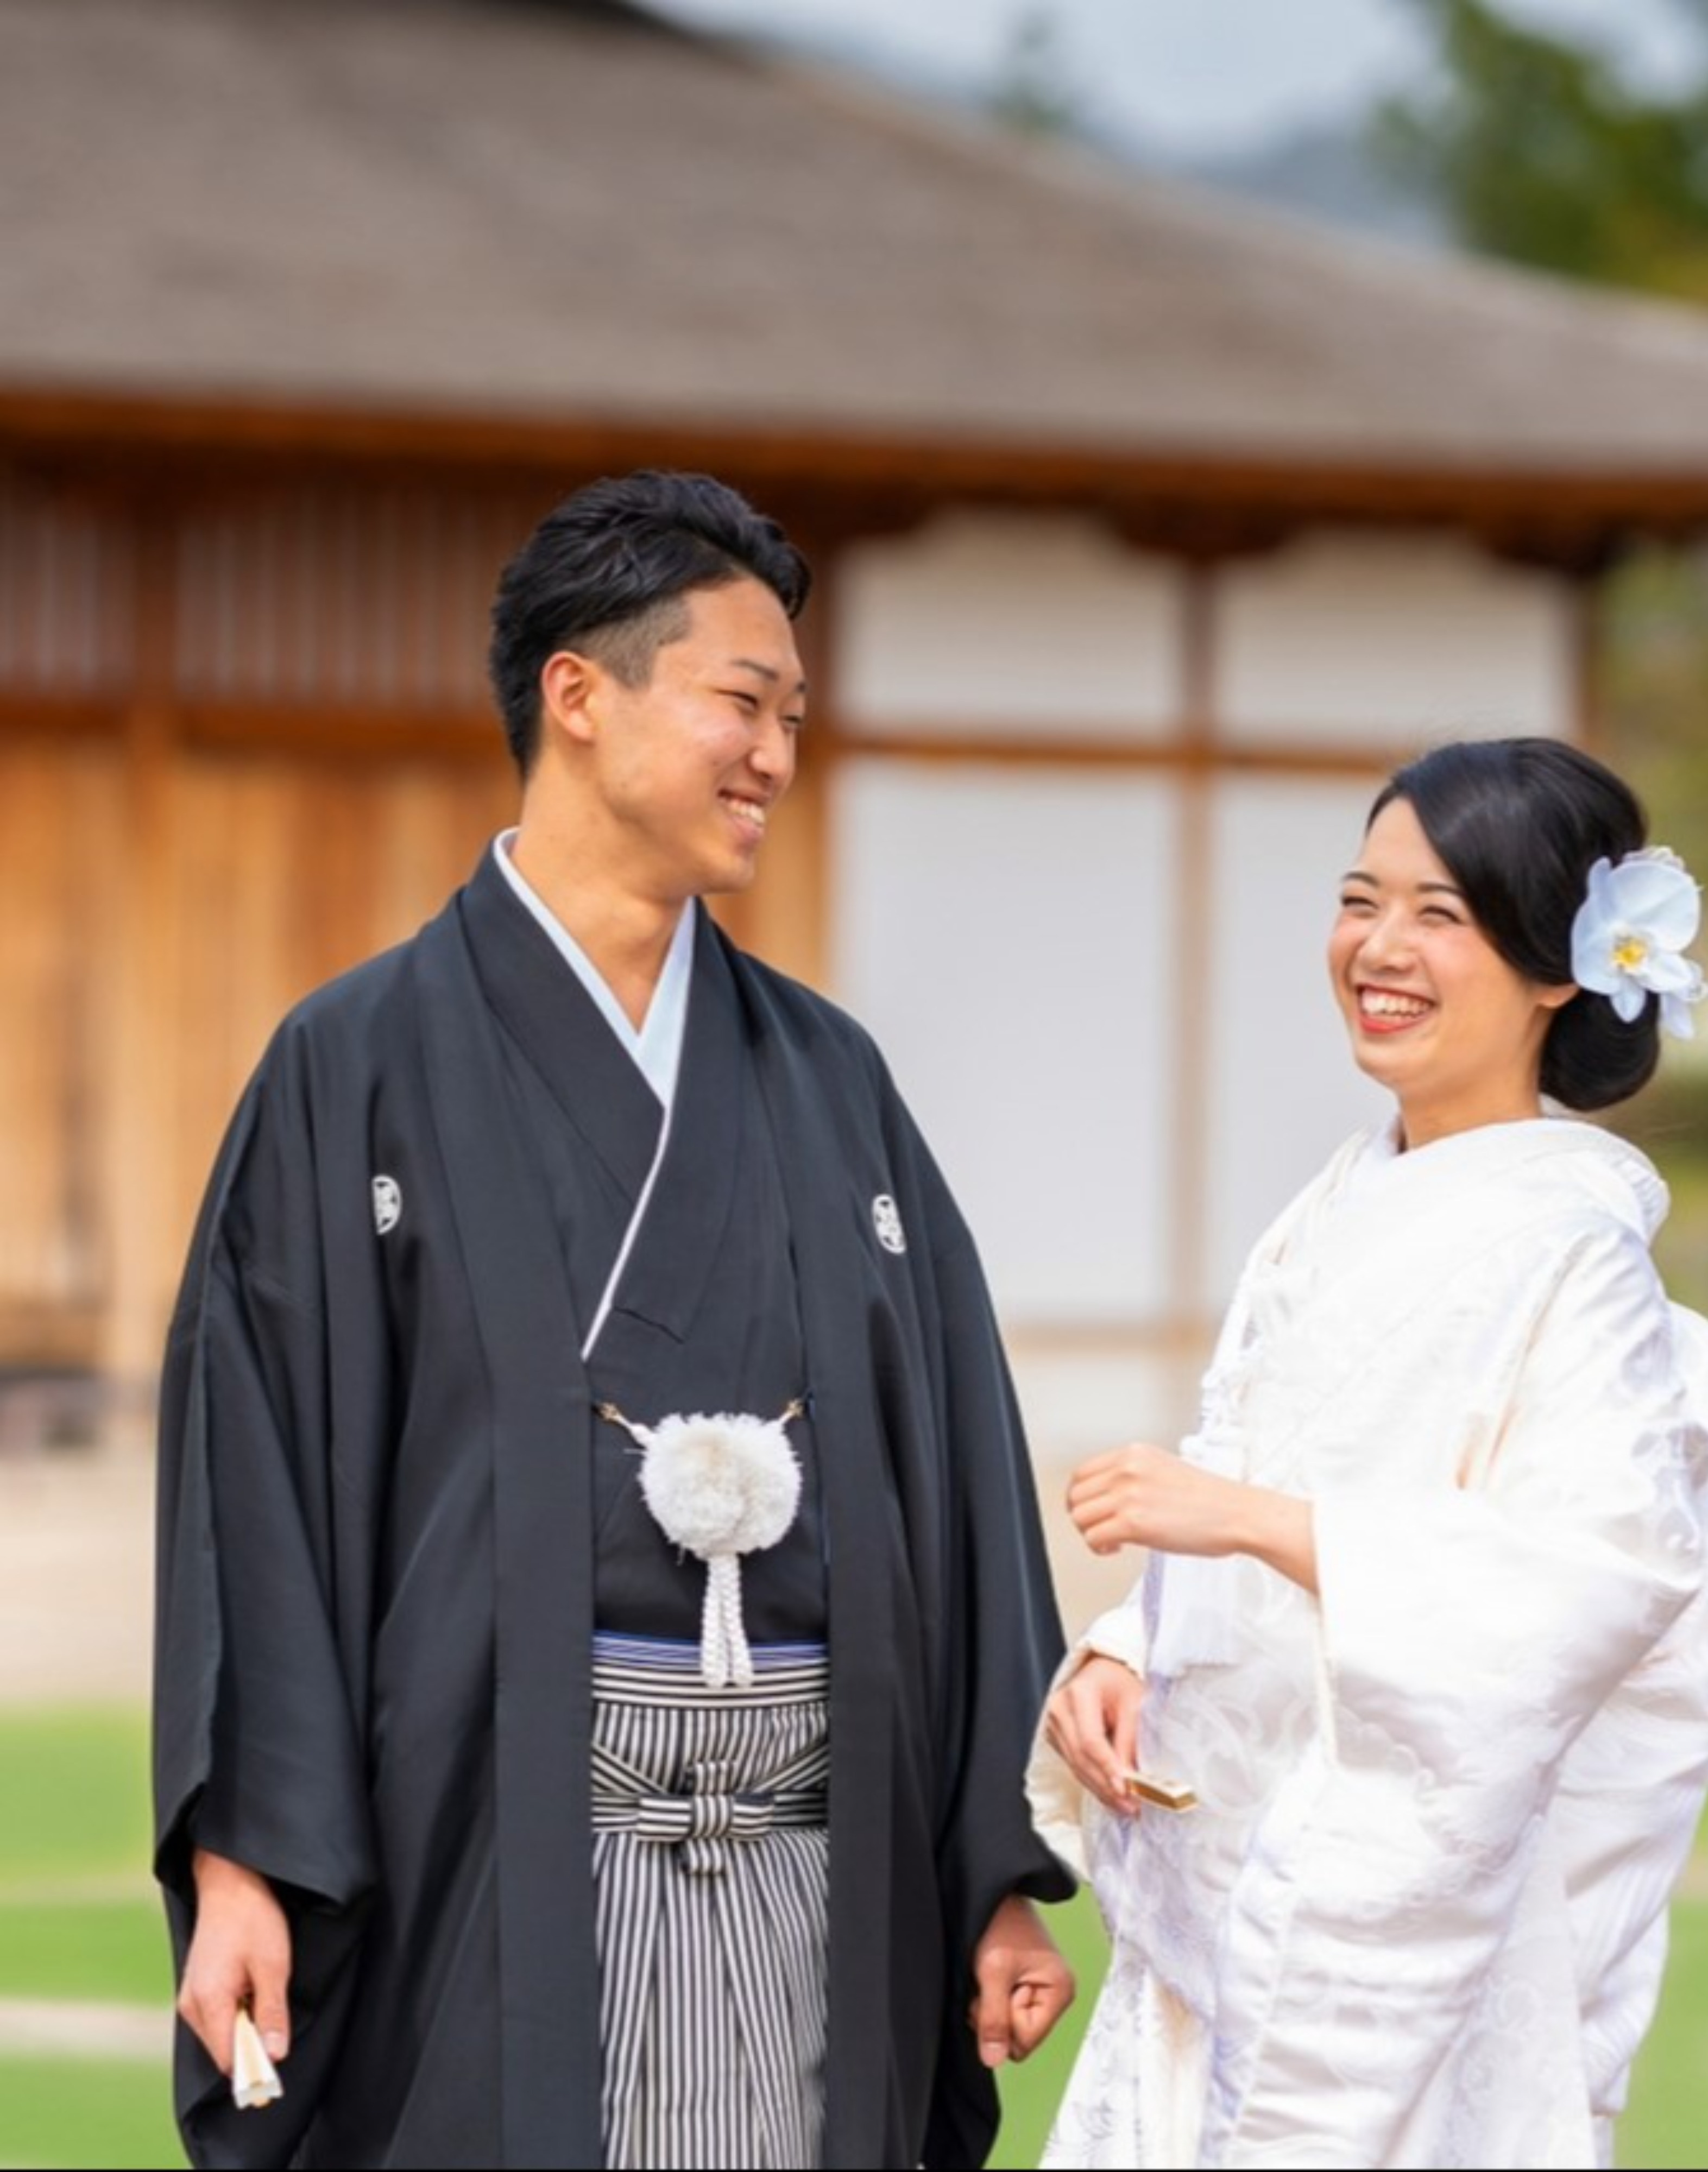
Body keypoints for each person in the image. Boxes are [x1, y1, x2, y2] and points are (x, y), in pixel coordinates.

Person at [154, 469, 1075, 2171]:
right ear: (579, 696)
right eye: (743, 700)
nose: (777, 756)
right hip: (482, 1859)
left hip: (824, 1861)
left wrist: (996, 1872)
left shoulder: (831, 1081)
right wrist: (239, 1861)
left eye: (794, 714)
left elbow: (959, 1487)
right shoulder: (350, 1069)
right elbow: (250, 1495)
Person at [1031, 739, 1708, 2170]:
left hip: (1404, 1944)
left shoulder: (1581, 1265)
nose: (1379, 948)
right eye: (1363, 900)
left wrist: (1245, 1519)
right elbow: (1253, 1456)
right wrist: (1129, 1648)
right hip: (1220, 1906)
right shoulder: (1331, 1208)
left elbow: (1588, 1577)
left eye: (1444, 915)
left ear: (1561, 966)